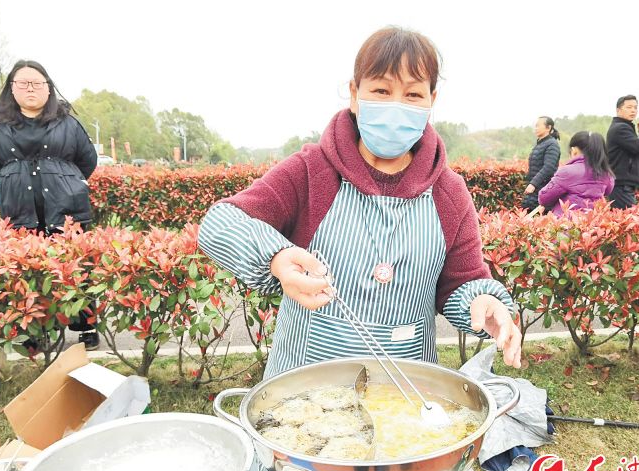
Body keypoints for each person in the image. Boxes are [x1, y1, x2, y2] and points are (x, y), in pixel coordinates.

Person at [198, 27, 522, 378]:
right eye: (381, 90)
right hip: (304, 388)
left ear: (432, 101)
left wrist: (481, 302)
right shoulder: (311, 171)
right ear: (355, 94)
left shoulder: (449, 192)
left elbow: (461, 282)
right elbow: (220, 223)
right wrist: (275, 257)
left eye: (413, 95)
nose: (396, 106)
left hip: (407, 387)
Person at [0, 60, 100, 349]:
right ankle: (33, 331)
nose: (30, 88)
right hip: (19, 209)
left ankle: (86, 327)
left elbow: (88, 161)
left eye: (37, 83)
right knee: (28, 272)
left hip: (67, 207)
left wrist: (61, 180)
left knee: (76, 267)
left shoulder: (67, 121)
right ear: (12, 88)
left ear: (48, 88)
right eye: (22, 83)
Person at [537, 131, 615, 216]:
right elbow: (608, 191)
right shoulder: (605, 172)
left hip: (566, 223)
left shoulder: (567, 172)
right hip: (592, 222)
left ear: (574, 150)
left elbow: (544, 198)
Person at [606, 95, 639, 209]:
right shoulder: (621, 128)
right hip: (621, 185)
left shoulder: (625, 127)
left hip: (623, 185)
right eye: (629, 107)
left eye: (635, 107)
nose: (633, 110)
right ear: (618, 110)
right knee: (631, 220)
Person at [521, 116, 561, 212]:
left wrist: (533, 184)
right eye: (535, 126)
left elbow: (549, 167)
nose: (536, 128)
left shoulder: (552, 145)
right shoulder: (541, 144)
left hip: (543, 190)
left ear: (548, 127)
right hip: (534, 191)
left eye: (538, 126)